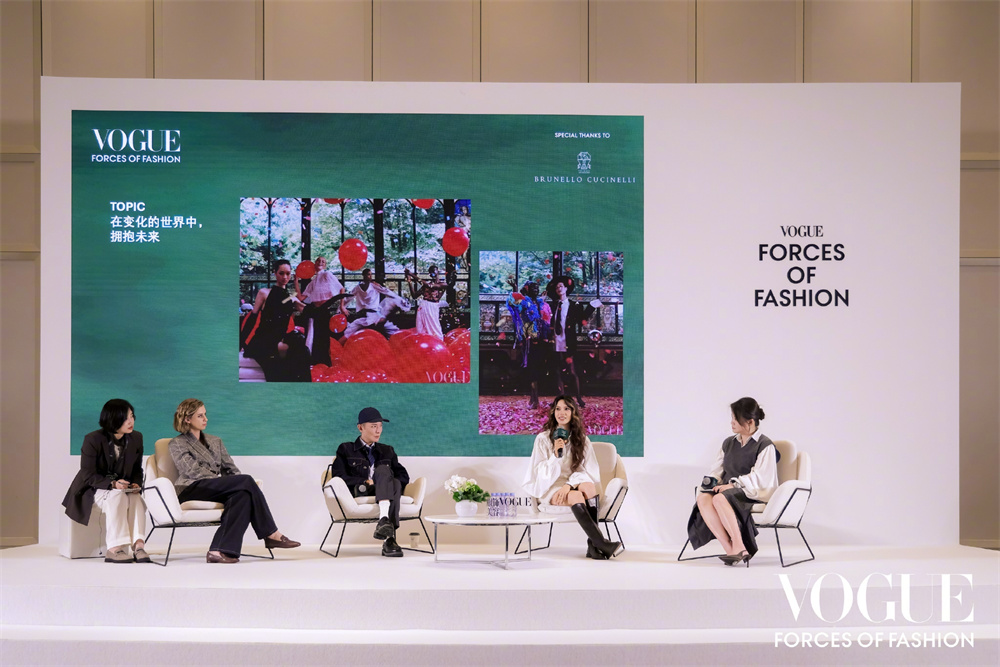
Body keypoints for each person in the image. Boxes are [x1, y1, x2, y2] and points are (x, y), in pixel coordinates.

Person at [168, 398, 300, 563]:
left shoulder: (216, 441)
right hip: (191, 488)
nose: (206, 419)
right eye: (200, 416)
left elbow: (230, 469)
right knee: (246, 481)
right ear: (187, 419)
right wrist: (227, 482)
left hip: (214, 487)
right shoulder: (177, 443)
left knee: (243, 495)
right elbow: (191, 470)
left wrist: (235, 483)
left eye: (205, 414)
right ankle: (271, 534)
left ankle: (217, 551)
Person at [521, 396, 623, 560]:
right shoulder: (543, 439)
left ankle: (593, 546)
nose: (561, 413)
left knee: (588, 486)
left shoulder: (582, 439)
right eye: (558, 409)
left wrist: (568, 485)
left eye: (566, 409)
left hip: (570, 483)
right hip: (550, 486)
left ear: (573, 412)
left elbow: (588, 472)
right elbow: (539, 472)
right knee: (576, 496)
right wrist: (555, 456)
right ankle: (601, 543)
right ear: (553, 412)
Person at [686, 397, 779, 566]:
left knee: (720, 499)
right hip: (727, 490)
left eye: (736, 419)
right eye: (732, 418)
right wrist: (711, 482)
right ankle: (730, 549)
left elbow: (761, 477)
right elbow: (718, 469)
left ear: (750, 422)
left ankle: (739, 544)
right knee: (703, 498)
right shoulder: (729, 443)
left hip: (751, 491)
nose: (732, 422)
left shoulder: (765, 445)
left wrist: (733, 485)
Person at [62, 399, 150, 563]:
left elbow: (137, 469)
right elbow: (87, 474)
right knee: (117, 495)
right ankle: (114, 549)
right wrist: (113, 484)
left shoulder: (136, 438)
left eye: (132, 416)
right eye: (125, 418)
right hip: (92, 489)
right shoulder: (93, 439)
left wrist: (137, 483)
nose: (130, 421)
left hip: (121, 489)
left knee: (136, 498)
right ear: (113, 418)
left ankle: (138, 546)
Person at [330, 407, 409, 557]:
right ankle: (390, 539)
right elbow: (338, 476)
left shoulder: (388, 450)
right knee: (392, 482)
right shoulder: (346, 449)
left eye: (380, 426)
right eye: (373, 426)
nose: (378, 431)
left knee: (392, 479)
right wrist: (365, 481)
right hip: (362, 490)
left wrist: (386, 483)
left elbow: (403, 476)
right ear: (360, 428)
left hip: (384, 490)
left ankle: (384, 521)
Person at [243, 259, 310, 381]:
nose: (285, 277)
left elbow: (306, 310)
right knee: (278, 367)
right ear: (275, 273)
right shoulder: (264, 293)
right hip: (263, 339)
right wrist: (242, 342)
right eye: (281, 273)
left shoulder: (289, 298)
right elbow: (252, 318)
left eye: (288, 273)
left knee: (302, 350)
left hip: (279, 338)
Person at [547, 276, 601, 408]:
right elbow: (547, 319)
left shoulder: (573, 305)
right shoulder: (552, 305)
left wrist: (591, 306)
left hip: (568, 340)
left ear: (566, 288)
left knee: (572, 371)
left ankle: (578, 398)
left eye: (561, 286)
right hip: (555, 340)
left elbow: (582, 319)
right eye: (557, 287)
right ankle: (561, 398)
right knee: (557, 370)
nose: (559, 289)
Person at [506, 279, 550, 409]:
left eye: (537, 288)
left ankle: (534, 398)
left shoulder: (540, 303)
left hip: (541, 339)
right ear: (527, 290)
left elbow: (545, 319)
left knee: (538, 368)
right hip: (529, 339)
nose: (535, 290)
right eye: (533, 288)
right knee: (532, 368)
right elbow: (514, 303)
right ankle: (534, 399)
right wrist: (515, 289)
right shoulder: (525, 302)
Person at [296, 256, 347, 364]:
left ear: (325, 265)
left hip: (324, 311)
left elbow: (341, 289)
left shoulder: (327, 274)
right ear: (314, 264)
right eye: (318, 260)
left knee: (323, 338)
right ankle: (312, 361)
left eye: (323, 261)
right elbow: (300, 297)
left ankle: (324, 362)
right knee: (312, 336)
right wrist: (296, 281)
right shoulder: (312, 282)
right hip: (314, 311)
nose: (320, 262)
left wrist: (342, 306)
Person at [343, 268, 405, 339]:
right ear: (363, 275)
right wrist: (342, 307)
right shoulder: (361, 287)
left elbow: (387, 292)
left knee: (390, 329)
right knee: (348, 334)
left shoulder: (373, 286)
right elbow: (348, 298)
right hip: (366, 315)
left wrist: (400, 300)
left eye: (371, 274)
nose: (370, 276)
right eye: (368, 275)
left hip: (371, 315)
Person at [405, 264, 456, 340]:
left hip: (432, 307)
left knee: (434, 327)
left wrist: (411, 274)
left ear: (437, 272)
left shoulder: (442, 284)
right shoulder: (425, 285)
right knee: (420, 327)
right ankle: (423, 342)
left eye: (434, 271)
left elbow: (430, 286)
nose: (432, 273)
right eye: (431, 272)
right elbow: (414, 295)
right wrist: (409, 281)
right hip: (423, 305)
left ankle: (438, 342)